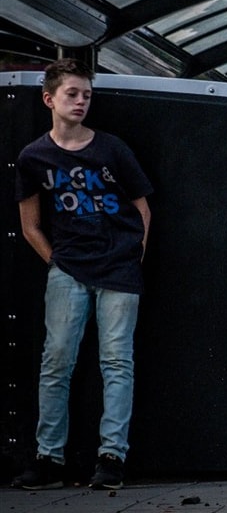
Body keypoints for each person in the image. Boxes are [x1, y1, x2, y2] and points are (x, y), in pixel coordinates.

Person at [12, 58, 154, 490]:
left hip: (118, 271)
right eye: (72, 94)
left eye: (87, 95)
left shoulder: (112, 149)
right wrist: (56, 261)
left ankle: (112, 457)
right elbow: (30, 224)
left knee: (117, 361)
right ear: (48, 98)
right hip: (68, 271)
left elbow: (143, 207)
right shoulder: (33, 156)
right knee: (56, 361)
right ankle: (49, 459)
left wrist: (133, 255)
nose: (80, 102)